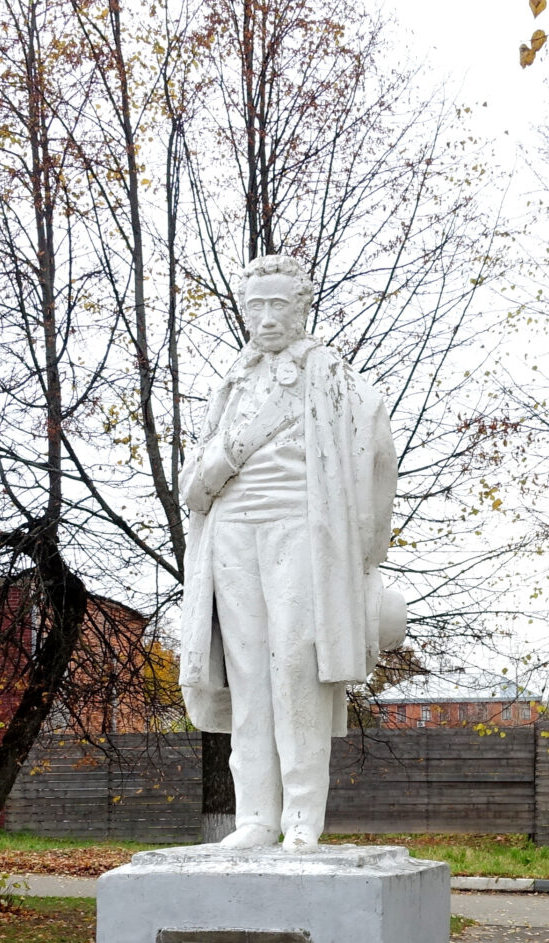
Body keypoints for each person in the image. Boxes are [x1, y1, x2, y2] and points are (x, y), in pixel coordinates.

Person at [178, 254, 403, 850]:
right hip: (232, 531)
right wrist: (224, 459)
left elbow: (376, 451)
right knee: (250, 676)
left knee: (295, 670)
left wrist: (364, 552)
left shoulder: (330, 374)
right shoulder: (233, 381)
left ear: (302, 308)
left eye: (280, 304)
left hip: (300, 528)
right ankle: (255, 816)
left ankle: (302, 817)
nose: (267, 317)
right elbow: (193, 482)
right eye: (256, 305)